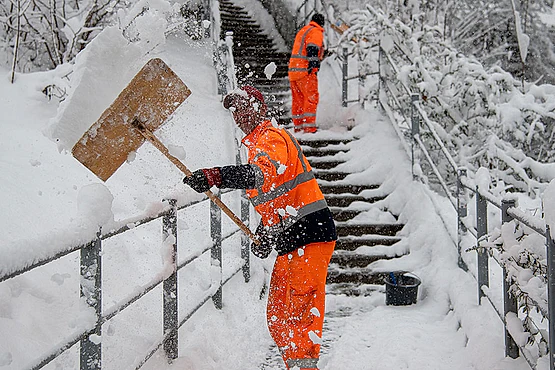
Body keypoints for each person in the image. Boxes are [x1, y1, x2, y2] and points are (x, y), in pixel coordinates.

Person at [183, 85, 337, 370]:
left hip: (310, 234)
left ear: (260, 109)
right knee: (278, 314)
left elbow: (262, 175)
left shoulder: (271, 138)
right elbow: (277, 199)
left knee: (299, 314)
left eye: (243, 107)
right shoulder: (256, 146)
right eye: (234, 110)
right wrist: (267, 234)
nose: (238, 115)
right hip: (293, 238)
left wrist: (216, 175)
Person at [288, 13, 325, 134]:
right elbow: (312, 48)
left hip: (294, 71)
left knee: (298, 100)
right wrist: (314, 65)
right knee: (311, 98)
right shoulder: (316, 32)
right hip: (305, 71)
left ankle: (298, 127)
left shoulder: (303, 30)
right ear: (322, 24)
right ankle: (309, 128)